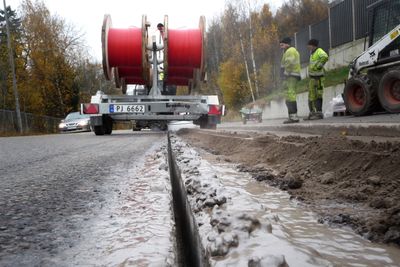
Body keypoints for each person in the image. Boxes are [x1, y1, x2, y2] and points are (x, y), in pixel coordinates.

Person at [306, 39, 329, 120]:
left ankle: (318, 113)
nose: (308, 47)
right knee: (311, 96)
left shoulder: (319, 51)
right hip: (313, 78)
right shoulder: (313, 53)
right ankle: (313, 113)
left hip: (318, 78)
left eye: (309, 45)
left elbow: (325, 56)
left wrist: (319, 66)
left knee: (318, 95)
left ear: (312, 45)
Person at [280, 37, 301, 124]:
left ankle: (293, 116)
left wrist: (285, 73)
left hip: (291, 75)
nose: (281, 47)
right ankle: (292, 116)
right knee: (289, 95)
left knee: (290, 95)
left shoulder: (290, 51)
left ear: (287, 44)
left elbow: (289, 63)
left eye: (282, 45)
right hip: (292, 75)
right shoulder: (289, 51)